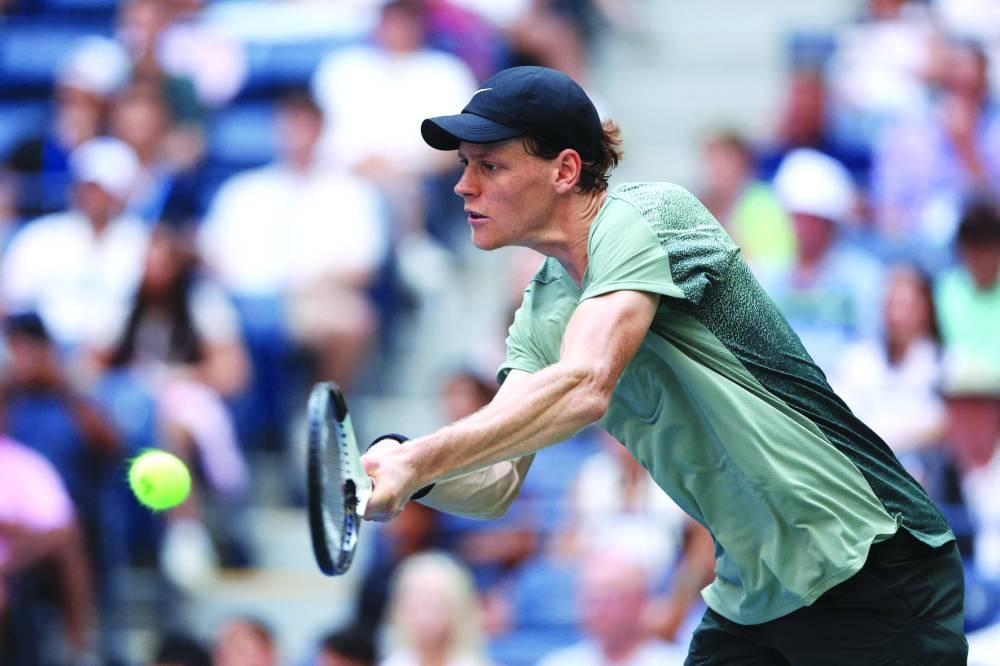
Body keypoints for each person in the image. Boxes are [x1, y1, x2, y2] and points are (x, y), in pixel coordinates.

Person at [359, 65, 967, 663]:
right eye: (465, 165)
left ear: (566, 170)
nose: (464, 185)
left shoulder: (648, 216)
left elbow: (585, 386)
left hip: (868, 557)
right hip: (758, 594)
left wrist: (420, 458)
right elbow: (495, 483)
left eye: (489, 165)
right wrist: (405, 471)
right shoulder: (541, 310)